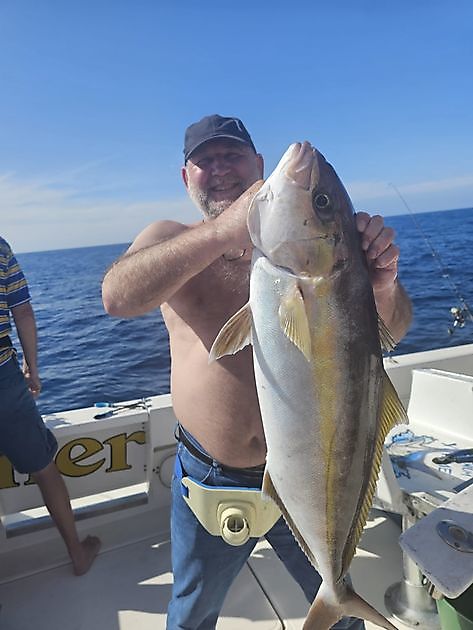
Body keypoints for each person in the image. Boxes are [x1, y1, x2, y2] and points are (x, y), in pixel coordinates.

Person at [102, 114, 413, 629]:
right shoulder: (168, 239)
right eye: (206, 160)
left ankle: (337, 598)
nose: (220, 169)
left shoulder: (331, 253)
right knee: (193, 611)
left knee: (343, 617)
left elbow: (392, 332)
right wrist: (223, 230)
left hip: (312, 481)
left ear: (259, 167)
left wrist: (380, 286)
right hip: (210, 474)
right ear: (186, 178)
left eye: (233, 156)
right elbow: (117, 296)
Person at [0, 236, 101, 575]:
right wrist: (32, 369)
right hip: (4, 380)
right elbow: (23, 311)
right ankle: (77, 554)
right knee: (44, 468)